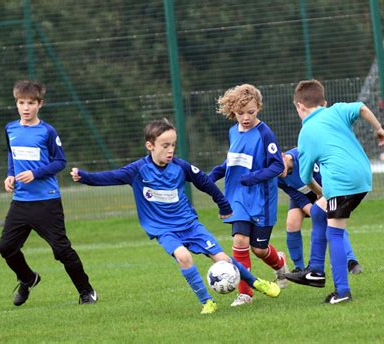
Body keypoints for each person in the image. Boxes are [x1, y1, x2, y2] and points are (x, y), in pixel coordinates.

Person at [70, 118, 280, 314]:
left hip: (189, 224)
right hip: (164, 229)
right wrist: (85, 177)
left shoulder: (181, 167)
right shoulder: (138, 170)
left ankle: (256, 282)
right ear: (150, 145)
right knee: (184, 257)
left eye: (173, 145)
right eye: (165, 145)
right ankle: (207, 301)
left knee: (223, 259)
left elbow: (206, 184)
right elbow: (110, 177)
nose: (170, 150)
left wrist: (224, 205)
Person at [285, 80, 384, 304]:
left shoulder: (306, 133)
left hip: (341, 183)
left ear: (299, 106)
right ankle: (315, 271)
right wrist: (378, 128)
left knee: (335, 233)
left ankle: (342, 292)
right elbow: (362, 107)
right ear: (324, 102)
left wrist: (320, 192)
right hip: (362, 175)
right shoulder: (337, 110)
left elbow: (305, 178)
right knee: (319, 213)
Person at [0, 80, 97, 306]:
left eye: (30, 103)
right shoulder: (10, 128)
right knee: (6, 248)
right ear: (16, 104)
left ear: (39, 104)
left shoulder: (47, 131)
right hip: (21, 202)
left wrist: (36, 173)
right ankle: (28, 278)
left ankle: (86, 291)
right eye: (21, 103)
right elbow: (11, 155)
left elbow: (60, 162)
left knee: (61, 251)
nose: (25, 108)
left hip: (47, 201)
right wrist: (10, 175)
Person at [208, 84, 289, 307]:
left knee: (260, 249)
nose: (245, 118)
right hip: (238, 198)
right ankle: (245, 294)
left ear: (259, 108)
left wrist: (253, 178)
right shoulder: (233, 131)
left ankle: (280, 263)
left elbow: (277, 166)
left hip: (262, 199)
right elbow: (234, 159)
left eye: (250, 113)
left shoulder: (265, 133)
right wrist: (215, 173)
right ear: (233, 111)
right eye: (240, 113)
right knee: (240, 240)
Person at [278, 148, 362, 278]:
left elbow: (321, 177)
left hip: (324, 189)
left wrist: (322, 197)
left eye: (277, 164)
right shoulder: (278, 177)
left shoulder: (301, 156)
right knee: (291, 223)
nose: (276, 170)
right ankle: (299, 267)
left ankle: (351, 261)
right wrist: (314, 212)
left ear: (283, 156)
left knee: (332, 221)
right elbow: (296, 196)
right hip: (303, 196)